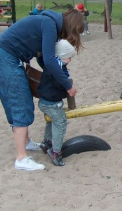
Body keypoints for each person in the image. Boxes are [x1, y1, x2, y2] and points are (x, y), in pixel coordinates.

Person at [0, 8, 84, 170]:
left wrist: (55, 75)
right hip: (5, 58)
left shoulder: (48, 22)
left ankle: (26, 142)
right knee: (20, 103)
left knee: (25, 100)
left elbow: (43, 58)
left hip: (8, 57)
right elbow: (49, 59)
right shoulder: (49, 24)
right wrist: (67, 85)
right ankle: (21, 158)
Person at [38, 39, 76, 167]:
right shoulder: (56, 71)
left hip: (46, 100)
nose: (70, 60)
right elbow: (59, 85)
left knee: (52, 120)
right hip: (51, 102)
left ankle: (47, 142)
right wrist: (67, 87)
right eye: (68, 57)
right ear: (61, 56)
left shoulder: (54, 65)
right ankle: (56, 152)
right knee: (60, 122)